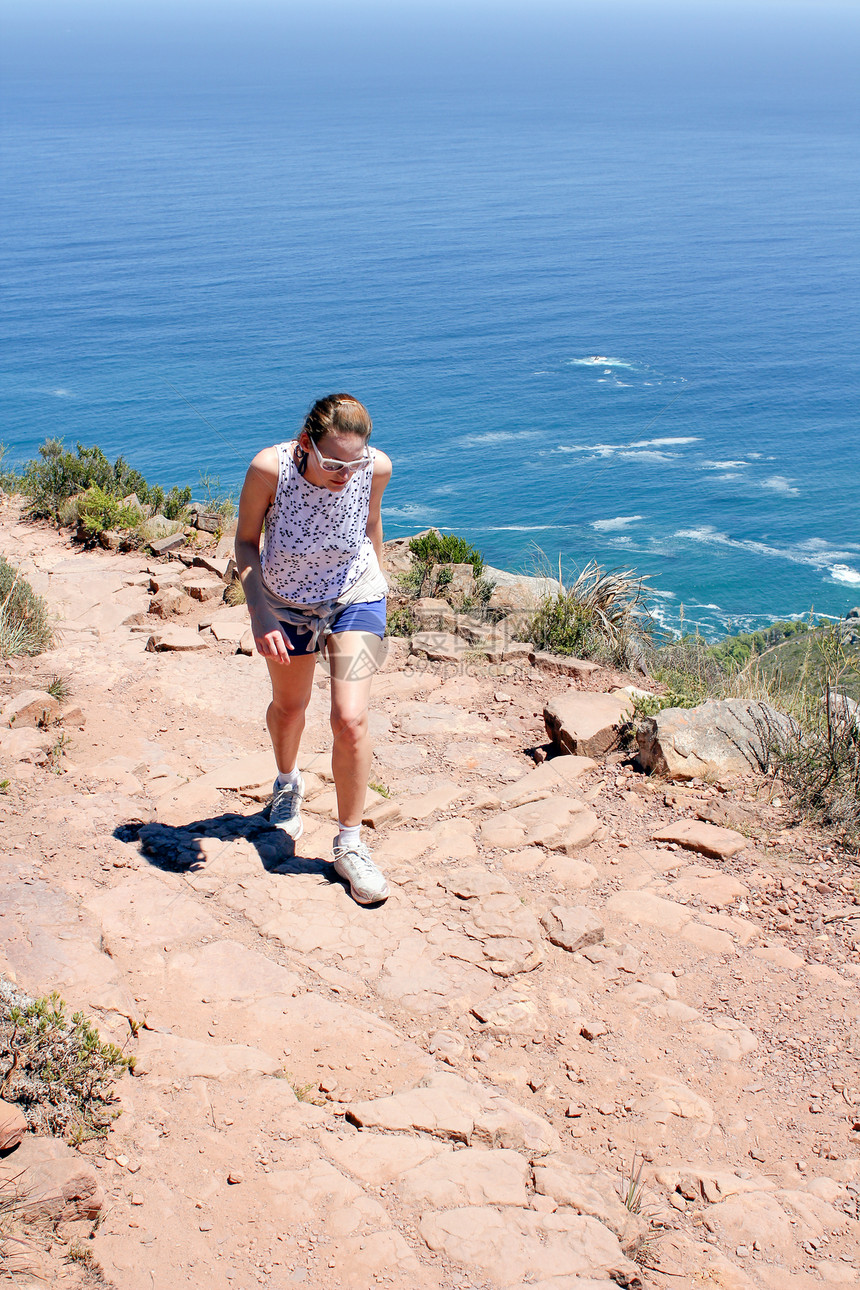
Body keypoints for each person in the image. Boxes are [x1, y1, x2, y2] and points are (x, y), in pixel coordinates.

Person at [234, 393, 392, 905]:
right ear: (306, 443)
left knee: (351, 718)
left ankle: (349, 843)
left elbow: (370, 527)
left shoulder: (376, 467)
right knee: (290, 707)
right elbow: (245, 541)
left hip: (357, 597)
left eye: (355, 462)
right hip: (284, 603)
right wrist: (258, 612)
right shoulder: (270, 467)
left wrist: (380, 578)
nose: (345, 473)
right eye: (333, 462)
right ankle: (286, 782)